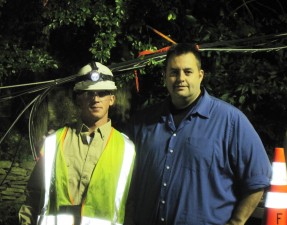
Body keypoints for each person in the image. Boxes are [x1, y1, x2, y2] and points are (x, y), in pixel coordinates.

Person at [124, 43, 272, 225]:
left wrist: (237, 221)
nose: (180, 78)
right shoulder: (144, 122)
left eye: (188, 72)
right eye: (173, 72)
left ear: (200, 76)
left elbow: (257, 179)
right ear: (165, 77)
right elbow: (127, 178)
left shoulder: (230, 121)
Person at [19, 62, 135, 225]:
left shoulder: (127, 149)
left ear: (112, 99)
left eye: (102, 93)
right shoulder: (54, 142)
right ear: (78, 98)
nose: (95, 99)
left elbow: (132, 205)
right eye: (88, 93)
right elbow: (34, 195)